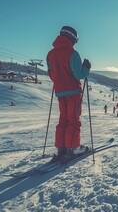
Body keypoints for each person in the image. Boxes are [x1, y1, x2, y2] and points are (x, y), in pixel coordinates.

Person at [46, 26, 91, 161]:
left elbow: (51, 74)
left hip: (60, 93)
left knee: (63, 120)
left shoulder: (50, 54)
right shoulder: (72, 53)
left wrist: (60, 82)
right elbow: (79, 74)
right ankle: (73, 148)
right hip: (73, 92)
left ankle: (62, 148)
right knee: (73, 119)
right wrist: (86, 68)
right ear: (72, 38)